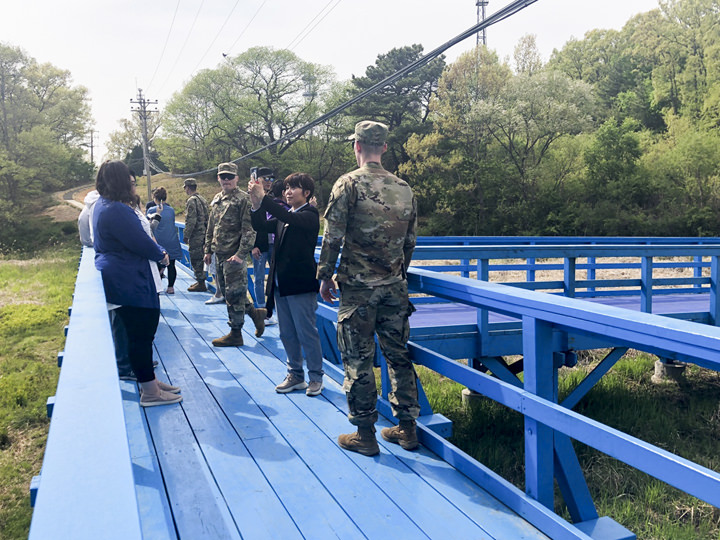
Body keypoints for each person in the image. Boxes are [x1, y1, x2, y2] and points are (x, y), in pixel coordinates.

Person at [317, 120, 419, 456]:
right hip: (395, 287)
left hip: (359, 289)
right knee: (398, 356)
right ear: (384, 148)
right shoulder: (404, 188)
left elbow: (333, 236)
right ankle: (407, 429)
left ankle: (365, 434)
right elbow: (410, 242)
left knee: (359, 360)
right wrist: (396, 272)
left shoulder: (347, 184)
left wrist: (324, 274)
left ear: (357, 146)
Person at [92, 160, 182, 407]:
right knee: (141, 335)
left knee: (137, 336)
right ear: (122, 182)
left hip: (122, 276)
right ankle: (150, 392)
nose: (134, 185)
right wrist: (162, 254)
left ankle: (149, 381)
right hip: (129, 280)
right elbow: (140, 241)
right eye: (130, 181)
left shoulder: (104, 206)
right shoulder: (116, 210)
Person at [249, 173, 324, 396]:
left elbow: (287, 216)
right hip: (280, 283)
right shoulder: (285, 216)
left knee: (306, 332)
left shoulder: (309, 215)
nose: (288, 192)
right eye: (287, 188)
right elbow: (260, 224)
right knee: (287, 333)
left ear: (307, 193)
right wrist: (255, 204)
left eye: (294, 188)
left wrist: (264, 198)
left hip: (300, 283)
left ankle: (315, 377)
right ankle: (295, 374)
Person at [204, 162, 266, 346]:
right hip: (219, 254)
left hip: (234, 256)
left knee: (233, 294)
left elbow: (250, 230)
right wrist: (208, 249)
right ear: (218, 178)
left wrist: (240, 254)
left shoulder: (243, 199)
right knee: (230, 293)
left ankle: (236, 333)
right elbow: (211, 226)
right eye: (223, 176)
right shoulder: (217, 199)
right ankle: (256, 314)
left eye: (230, 177)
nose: (226, 180)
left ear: (237, 178)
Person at [147, 187, 183, 295]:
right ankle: (171, 287)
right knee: (172, 265)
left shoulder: (151, 210)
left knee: (157, 266)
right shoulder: (171, 210)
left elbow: (147, 227)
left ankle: (157, 288)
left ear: (155, 197)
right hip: (172, 240)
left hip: (158, 242)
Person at [248, 167, 274, 317]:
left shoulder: (273, 196)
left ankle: (271, 308)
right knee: (258, 278)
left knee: (274, 278)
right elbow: (248, 225)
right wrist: (253, 245)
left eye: (271, 179)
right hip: (260, 245)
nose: (269, 182)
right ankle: (261, 309)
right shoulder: (251, 197)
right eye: (266, 179)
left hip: (274, 244)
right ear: (257, 180)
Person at [183, 178, 209, 292]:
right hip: (205, 233)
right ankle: (201, 280)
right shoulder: (203, 199)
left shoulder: (191, 201)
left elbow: (191, 220)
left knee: (196, 258)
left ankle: (201, 282)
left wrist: (186, 235)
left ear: (188, 188)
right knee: (203, 257)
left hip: (196, 235)